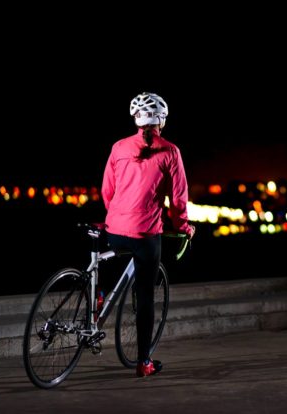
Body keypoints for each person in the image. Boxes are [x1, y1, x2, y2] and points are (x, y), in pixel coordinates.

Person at [101, 92, 195, 378]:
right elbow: (178, 200)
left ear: (136, 119)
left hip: (115, 228)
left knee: (110, 258)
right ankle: (144, 362)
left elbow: (107, 191)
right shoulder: (170, 152)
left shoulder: (118, 147)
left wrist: (118, 215)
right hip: (146, 235)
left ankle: (99, 297)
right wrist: (183, 228)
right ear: (161, 121)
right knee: (145, 299)